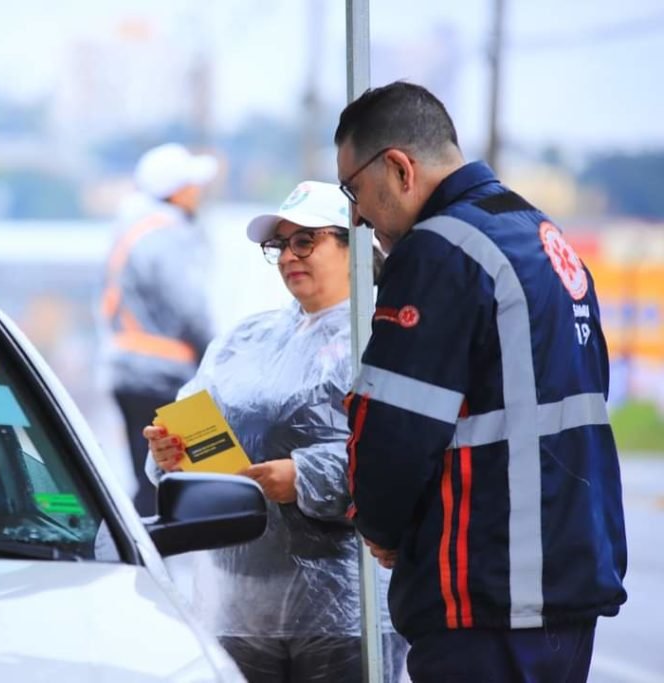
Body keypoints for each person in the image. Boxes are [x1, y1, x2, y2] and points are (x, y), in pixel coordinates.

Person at [334, 81, 627, 682]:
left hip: (485, 590)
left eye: (354, 191)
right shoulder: (542, 236)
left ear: (399, 168)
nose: (357, 217)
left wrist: (381, 527)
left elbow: (394, 432)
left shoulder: (438, 249)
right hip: (568, 577)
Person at [144, 181, 405, 682]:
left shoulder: (386, 336)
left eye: (305, 241)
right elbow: (185, 425)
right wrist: (168, 453)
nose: (288, 256)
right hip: (239, 609)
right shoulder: (246, 340)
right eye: (279, 245)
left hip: (347, 612)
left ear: (354, 243)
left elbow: (406, 453)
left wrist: (307, 477)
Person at [99, 142, 218, 516]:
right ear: (176, 191)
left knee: (149, 477)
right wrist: (216, 355)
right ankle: (151, 549)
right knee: (180, 477)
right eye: (192, 185)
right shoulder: (165, 233)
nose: (198, 192)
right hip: (163, 375)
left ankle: (142, 544)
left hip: (130, 370)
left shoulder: (133, 227)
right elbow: (189, 306)